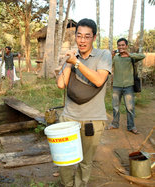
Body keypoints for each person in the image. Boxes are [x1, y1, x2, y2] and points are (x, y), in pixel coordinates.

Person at [56, 18, 112, 187]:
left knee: (85, 161)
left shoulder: (103, 55)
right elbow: (60, 84)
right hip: (68, 118)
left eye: (87, 36)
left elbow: (98, 80)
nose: (82, 40)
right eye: (79, 35)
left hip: (92, 120)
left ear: (94, 37)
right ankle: (67, 184)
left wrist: (77, 63)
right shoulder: (73, 58)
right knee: (64, 160)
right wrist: (69, 63)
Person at [106, 38, 145, 134]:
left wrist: (129, 54)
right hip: (116, 86)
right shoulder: (116, 57)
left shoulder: (131, 57)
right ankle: (115, 124)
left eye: (123, 45)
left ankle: (131, 126)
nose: (121, 47)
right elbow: (107, 65)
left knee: (130, 108)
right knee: (115, 107)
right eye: (119, 45)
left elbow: (142, 56)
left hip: (129, 86)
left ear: (126, 46)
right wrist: (110, 56)